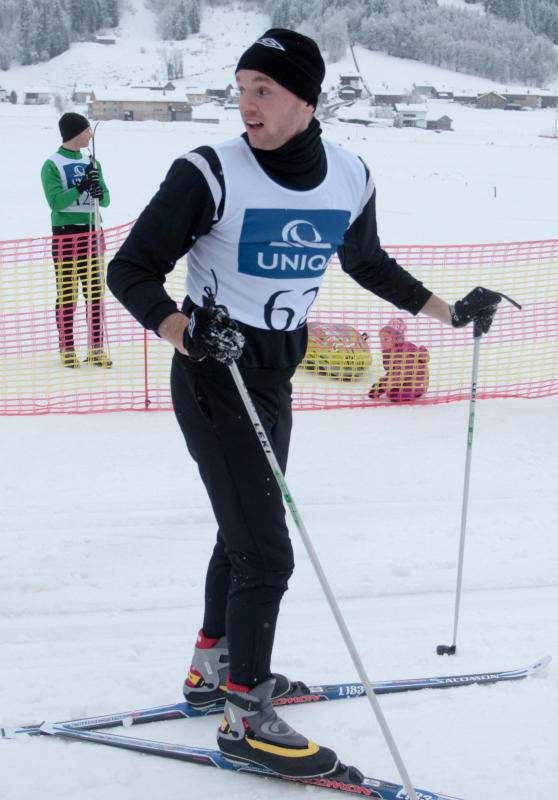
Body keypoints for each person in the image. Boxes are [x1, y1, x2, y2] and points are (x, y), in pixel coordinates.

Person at [107, 29, 503, 780]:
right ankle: (246, 717)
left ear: (306, 100)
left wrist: (448, 312)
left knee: (245, 530)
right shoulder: (208, 171)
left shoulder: (349, 175)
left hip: (274, 370)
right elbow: (130, 268)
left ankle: (212, 672)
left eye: (263, 89)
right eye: (241, 88)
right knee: (266, 551)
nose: (246, 103)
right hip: (215, 373)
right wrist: (183, 330)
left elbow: (366, 261)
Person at [41, 112, 112, 369]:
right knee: (68, 293)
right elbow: (56, 203)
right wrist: (80, 187)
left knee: (95, 293)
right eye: (86, 131)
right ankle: (67, 349)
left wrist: (97, 190)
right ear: (74, 133)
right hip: (66, 234)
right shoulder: (52, 164)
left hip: (93, 231)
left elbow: (106, 200)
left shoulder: (92, 161)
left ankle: (96, 349)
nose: (90, 135)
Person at [368, 317, 430, 401]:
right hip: (405, 380)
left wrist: (382, 388)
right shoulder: (390, 352)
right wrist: (381, 383)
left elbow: (399, 375)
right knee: (391, 391)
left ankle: (417, 393)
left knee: (393, 395)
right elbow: (392, 372)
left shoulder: (404, 353)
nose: (383, 342)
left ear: (396, 339)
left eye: (386, 339)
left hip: (416, 384)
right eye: (381, 339)